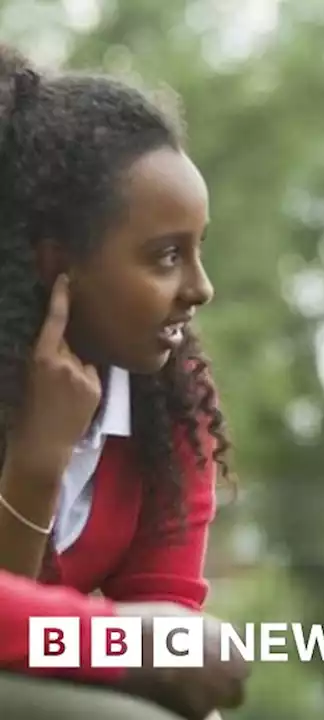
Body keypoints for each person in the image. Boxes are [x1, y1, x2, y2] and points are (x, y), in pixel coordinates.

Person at [0, 47, 247, 720]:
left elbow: (173, 634)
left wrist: (155, 649)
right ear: (56, 262)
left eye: (198, 250)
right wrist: (34, 469)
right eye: (166, 256)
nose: (200, 288)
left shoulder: (173, 404)